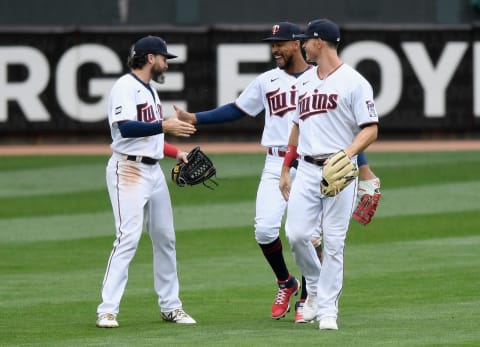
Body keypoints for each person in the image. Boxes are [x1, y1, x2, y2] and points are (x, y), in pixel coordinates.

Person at [176, 22, 381, 323]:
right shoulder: (278, 81)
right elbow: (242, 110)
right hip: (284, 160)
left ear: (306, 43)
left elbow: (350, 128)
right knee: (282, 232)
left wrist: (361, 168)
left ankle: (321, 305)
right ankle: (292, 282)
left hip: (333, 166)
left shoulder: (350, 81)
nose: (275, 48)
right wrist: (195, 118)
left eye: (282, 42)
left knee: (327, 239)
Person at [279, 19, 379, 331]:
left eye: (306, 40)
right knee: (296, 234)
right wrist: (286, 168)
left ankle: (327, 310)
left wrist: (349, 157)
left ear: (319, 42)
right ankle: (317, 289)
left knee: (334, 242)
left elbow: (370, 128)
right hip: (307, 170)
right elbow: (297, 127)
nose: (302, 45)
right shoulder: (305, 82)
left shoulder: (354, 82)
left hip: (340, 172)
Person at [96, 35, 197, 328]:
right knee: (127, 238)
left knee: (166, 238)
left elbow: (150, 137)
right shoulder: (124, 87)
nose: (167, 64)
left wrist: (175, 151)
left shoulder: (150, 91)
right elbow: (125, 128)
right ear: (151, 58)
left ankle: (171, 307)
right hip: (128, 171)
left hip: (153, 172)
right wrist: (163, 124)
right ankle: (107, 309)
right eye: (165, 58)